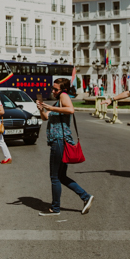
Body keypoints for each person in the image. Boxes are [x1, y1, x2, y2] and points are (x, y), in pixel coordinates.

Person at [37, 78, 93, 216]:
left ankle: (55, 208)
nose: (53, 91)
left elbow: (71, 109)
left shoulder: (63, 96)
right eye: (52, 88)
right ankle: (86, 197)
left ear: (63, 90)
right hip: (60, 141)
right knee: (61, 176)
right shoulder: (58, 101)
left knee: (55, 177)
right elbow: (45, 118)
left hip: (59, 141)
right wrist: (42, 109)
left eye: (56, 89)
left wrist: (52, 107)